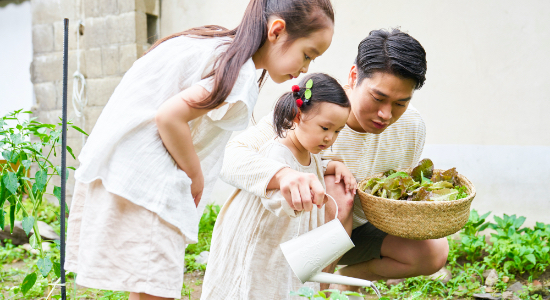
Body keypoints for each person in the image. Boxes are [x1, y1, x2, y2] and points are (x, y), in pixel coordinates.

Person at [64, 0, 336, 299]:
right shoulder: (238, 72)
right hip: (151, 184)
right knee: (155, 291)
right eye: (307, 54)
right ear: (277, 31)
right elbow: (170, 116)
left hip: (122, 170)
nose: (306, 68)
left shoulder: (214, 42)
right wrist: (194, 175)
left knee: (146, 289)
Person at [220, 28, 449, 294]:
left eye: (400, 103)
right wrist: (284, 175)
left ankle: (340, 284)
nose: (386, 114)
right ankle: (317, 291)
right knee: (338, 192)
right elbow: (232, 157)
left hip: (357, 234)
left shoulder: (412, 127)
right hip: (300, 235)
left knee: (434, 251)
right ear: (354, 76)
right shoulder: (316, 109)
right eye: (378, 98)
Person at [201, 73, 356, 299]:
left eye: (337, 131)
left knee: (281, 285)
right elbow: (279, 200)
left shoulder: (309, 153)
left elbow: (309, 169)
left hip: (285, 244)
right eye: (325, 128)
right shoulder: (277, 152)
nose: (330, 138)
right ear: (297, 116)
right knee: (255, 285)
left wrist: (332, 165)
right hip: (263, 242)